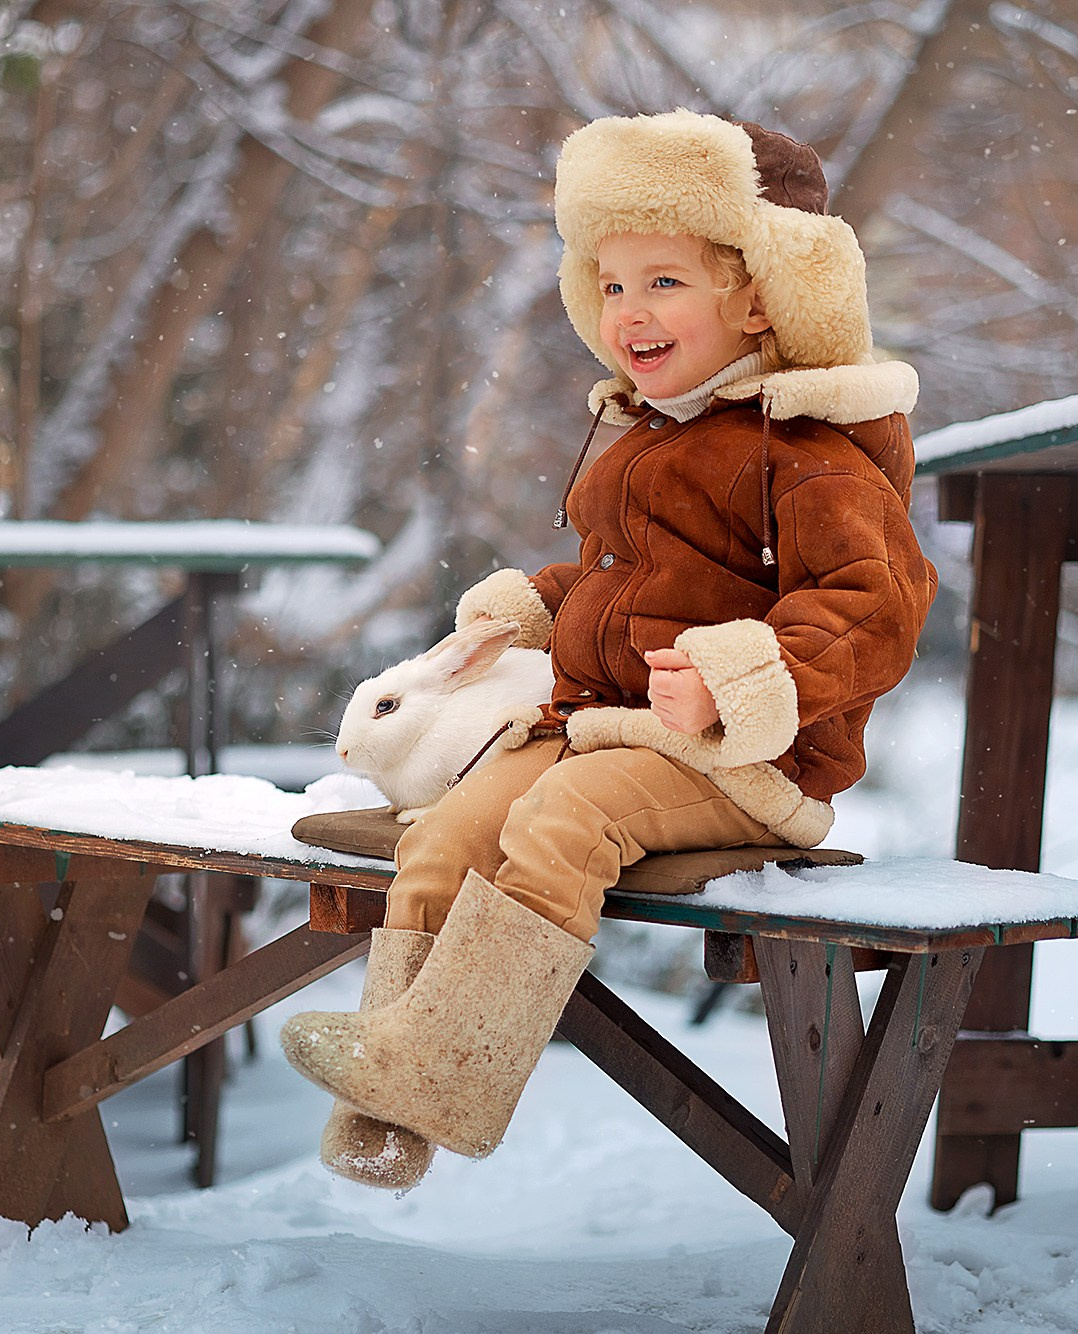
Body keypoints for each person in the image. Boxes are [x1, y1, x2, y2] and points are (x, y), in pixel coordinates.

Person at [281, 109, 938, 1191]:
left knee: (563, 820)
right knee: (446, 834)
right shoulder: (652, 438)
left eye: (665, 281)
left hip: (745, 761)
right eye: (613, 281)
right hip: (604, 727)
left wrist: (738, 681)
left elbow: (875, 605)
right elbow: (625, 581)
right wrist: (539, 607)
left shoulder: (810, 449)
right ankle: (389, 1106)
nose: (629, 308)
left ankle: (444, 1073)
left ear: (762, 297)